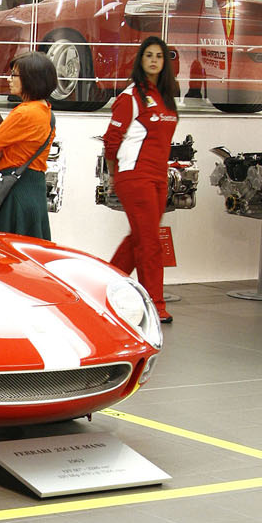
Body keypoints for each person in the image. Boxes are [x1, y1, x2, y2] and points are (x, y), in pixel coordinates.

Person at [101, 35, 179, 322]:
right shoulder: (130, 97)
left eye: (159, 56)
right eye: (149, 55)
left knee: (140, 238)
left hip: (158, 177)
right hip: (134, 176)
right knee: (150, 242)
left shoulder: (167, 96)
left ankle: (105, 288)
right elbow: (111, 141)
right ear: (140, 60)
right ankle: (155, 305)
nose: (154, 60)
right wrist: (113, 176)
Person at [0, 50, 56, 239]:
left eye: (14, 75)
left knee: (5, 254)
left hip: (13, 191)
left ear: (31, 79)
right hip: (35, 189)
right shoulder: (48, 113)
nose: (9, 79)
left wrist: (1, 150)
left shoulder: (23, 113)